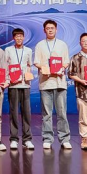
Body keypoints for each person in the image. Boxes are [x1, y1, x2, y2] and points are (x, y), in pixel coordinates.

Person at [33, 19, 71, 150]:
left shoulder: (62, 44)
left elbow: (66, 61)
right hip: (45, 83)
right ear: (44, 30)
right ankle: (47, 138)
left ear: (56, 29)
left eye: (52, 28)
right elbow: (36, 62)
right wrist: (44, 68)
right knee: (47, 114)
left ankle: (64, 139)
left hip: (60, 82)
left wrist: (62, 68)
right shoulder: (40, 45)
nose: (50, 30)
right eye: (48, 28)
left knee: (62, 113)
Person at [6, 28, 35, 150]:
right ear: (13, 38)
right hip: (13, 85)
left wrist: (28, 76)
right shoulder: (8, 50)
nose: (19, 38)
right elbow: (6, 66)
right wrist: (9, 79)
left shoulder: (28, 50)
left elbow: (29, 65)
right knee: (14, 112)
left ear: (24, 37)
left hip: (25, 85)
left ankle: (27, 139)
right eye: (16, 36)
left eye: (20, 36)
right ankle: (14, 139)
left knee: (26, 112)